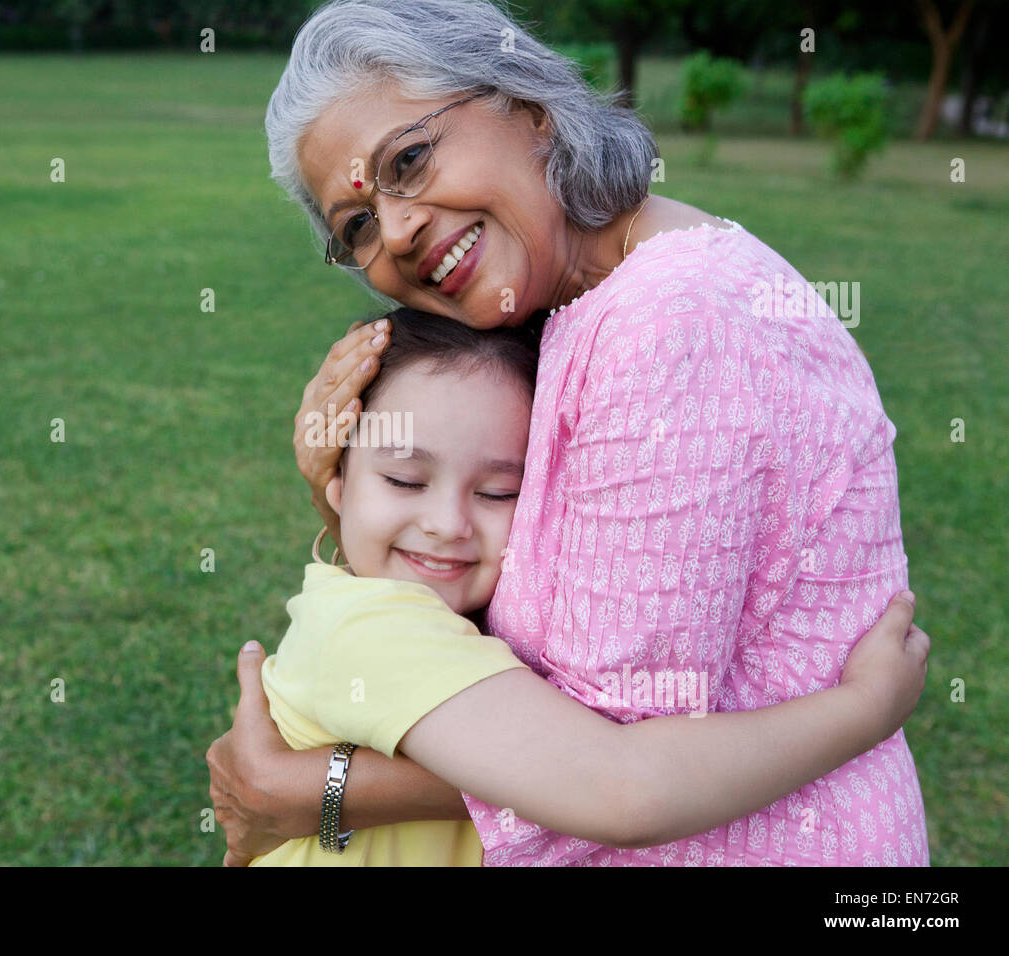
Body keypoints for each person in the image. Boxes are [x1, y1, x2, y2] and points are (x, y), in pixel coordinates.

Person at [210, 0, 930, 866]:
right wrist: (343, 493)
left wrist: (311, 791)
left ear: (529, 108)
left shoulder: (667, 323)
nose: (394, 230)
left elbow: (608, 757)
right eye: (356, 228)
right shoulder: (575, 310)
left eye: (408, 159)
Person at [248, 307, 927, 867]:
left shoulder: (407, 610)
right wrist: (865, 707)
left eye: (498, 492)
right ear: (334, 486)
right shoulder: (376, 633)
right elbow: (624, 791)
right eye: (403, 480)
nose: (446, 524)